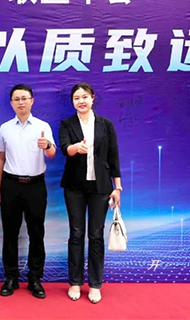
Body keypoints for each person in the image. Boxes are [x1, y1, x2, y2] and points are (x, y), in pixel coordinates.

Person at [59, 82, 122, 304]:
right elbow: (64, 148)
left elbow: (113, 157)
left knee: (96, 235)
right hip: (74, 188)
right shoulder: (67, 124)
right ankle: (75, 282)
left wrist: (117, 187)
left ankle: (95, 284)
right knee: (76, 234)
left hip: (101, 188)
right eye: (76, 98)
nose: (81, 101)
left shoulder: (106, 125)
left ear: (93, 98)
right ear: (72, 102)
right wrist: (76, 148)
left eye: (85, 97)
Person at [0, 84, 56, 299]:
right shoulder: (5, 128)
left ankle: (35, 278)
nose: (21, 102)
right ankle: (11, 277)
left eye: (24, 98)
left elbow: (52, 153)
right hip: (10, 184)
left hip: (35, 186)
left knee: (36, 233)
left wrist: (46, 145)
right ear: (11, 103)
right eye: (16, 99)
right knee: (10, 233)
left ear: (32, 101)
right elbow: (0, 158)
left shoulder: (42, 126)